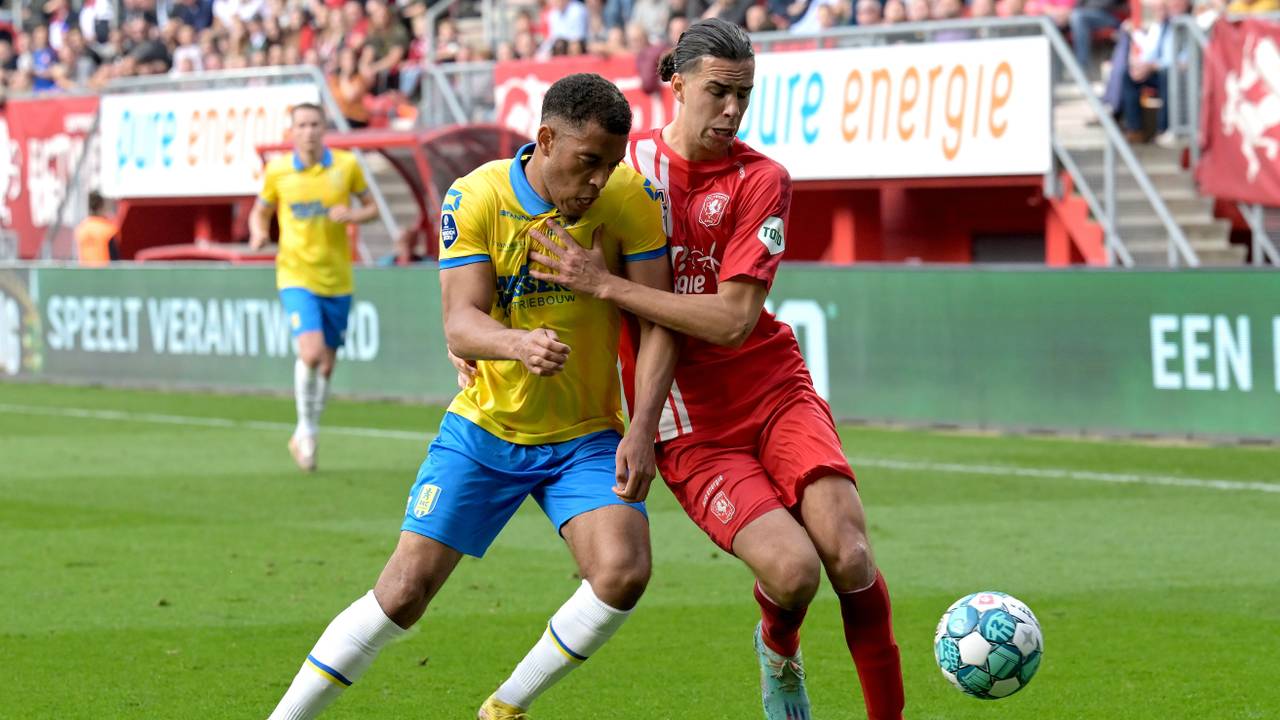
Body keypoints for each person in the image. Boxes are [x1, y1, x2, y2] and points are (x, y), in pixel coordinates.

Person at [266, 73, 677, 720]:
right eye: (587, 162)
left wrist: (642, 428)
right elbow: (460, 321)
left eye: (611, 165)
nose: (598, 181)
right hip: (486, 429)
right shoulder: (476, 196)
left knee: (623, 571)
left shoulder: (632, 200)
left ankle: (506, 707)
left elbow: (661, 322)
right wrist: (517, 346)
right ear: (546, 140)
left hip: (585, 435)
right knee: (403, 592)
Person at [527, 19, 904, 720]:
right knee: (792, 574)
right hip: (689, 422)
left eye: (745, 96)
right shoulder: (622, 166)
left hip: (772, 388)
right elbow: (522, 235)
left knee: (848, 557)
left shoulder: (761, 180)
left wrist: (607, 286)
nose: (731, 111)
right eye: (718, 93)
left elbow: (733, 321)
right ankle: (779, 646)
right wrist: (478, 335)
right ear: (677, 86)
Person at [248, 103, 379, 472]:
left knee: (326, 364)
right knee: (311, 352)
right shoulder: (278, 171)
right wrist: (259, 231)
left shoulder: (345, 166)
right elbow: (260, 210)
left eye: (314, 124)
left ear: (324, 128)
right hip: (295, 275)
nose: (308, 131)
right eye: (301, 125)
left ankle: (308, 431)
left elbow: (371, 207)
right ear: (292, 131)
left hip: (337, 278)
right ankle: (304, 431)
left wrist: (353, 215)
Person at [74, 191, 118, 266]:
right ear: (101, 206)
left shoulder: (81, 229)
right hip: (105, 274)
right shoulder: (109, 229)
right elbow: (115, 259)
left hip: (86, 274)